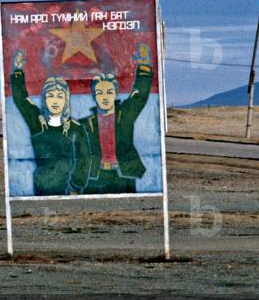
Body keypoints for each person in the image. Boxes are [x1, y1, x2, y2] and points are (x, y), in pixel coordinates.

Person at [8, 51, 91, 196]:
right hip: (42, 185)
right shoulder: (37, 122)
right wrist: (17, 71)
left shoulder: (75, 128)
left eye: (60, 96)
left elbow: (85, 158)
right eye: (50, 96)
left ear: (65, 100)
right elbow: (21, 100)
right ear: (44, 99)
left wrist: (76, 187)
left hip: (67, 187)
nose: (55, 101)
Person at [79, 43, 155, 195]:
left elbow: (140, 95)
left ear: (115, 93)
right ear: (94, 96)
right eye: (99, 93)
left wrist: (145, 66)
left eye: (109, 92)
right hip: (95, 177)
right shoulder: (86, 124)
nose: (104, 97)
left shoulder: (125, 114)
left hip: (124, 175)